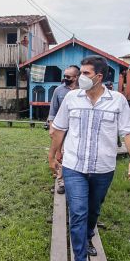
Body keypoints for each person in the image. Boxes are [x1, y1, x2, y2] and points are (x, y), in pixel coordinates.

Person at [48, 56, 130, 261]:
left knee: (93, 210)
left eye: (86, 74)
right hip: (74, 166)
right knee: (77, 211)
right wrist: (52, 155)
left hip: (103, 167)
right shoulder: (71, 98)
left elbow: (127, 131)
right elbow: (59, 129)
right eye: (80, 74)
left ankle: (88, 236)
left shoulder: (117, 101)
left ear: (99, 77)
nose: (80, 78)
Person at [47, 65, 81, 195]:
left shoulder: (83, 90)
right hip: (61, 129)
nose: (65, 78)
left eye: (68, 77)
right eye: (64, 76)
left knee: (72, 154)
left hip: (76, 129)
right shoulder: (59, 90)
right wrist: (51, 127)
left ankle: (74, 180)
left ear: (76, 77)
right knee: (60, 154)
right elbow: (53, 111)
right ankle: (61, 181)